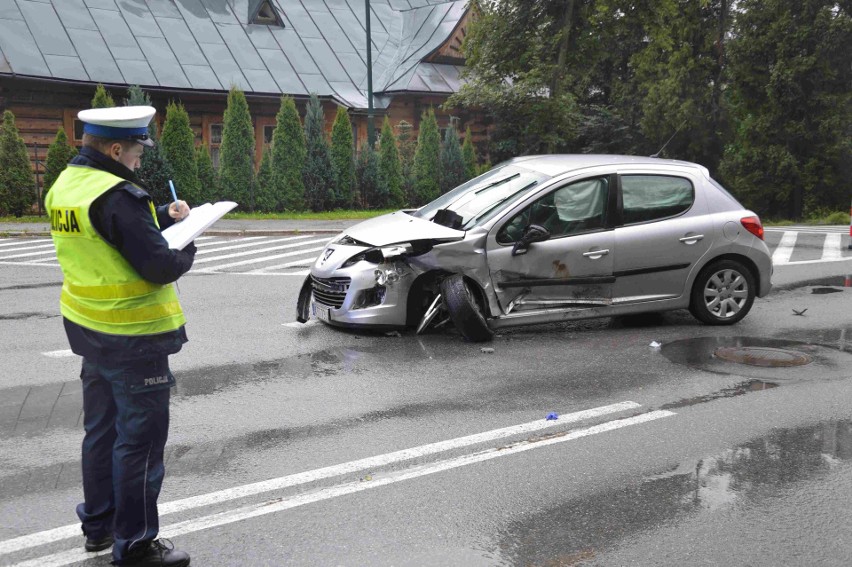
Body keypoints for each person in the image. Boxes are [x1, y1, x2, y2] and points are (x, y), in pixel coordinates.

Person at [45, 105, 194, 567]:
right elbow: (159, 266)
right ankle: (135, 545)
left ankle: (99, 527)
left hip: (91, 331)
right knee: (140, 444)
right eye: (135, 153)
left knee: (101, 434)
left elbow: (109, 237)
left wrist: (163, 217)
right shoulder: (118, 194)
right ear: (114, 149)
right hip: (135, 339)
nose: (138, 162)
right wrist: (187, 240)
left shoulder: (66, 186)